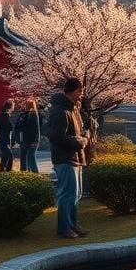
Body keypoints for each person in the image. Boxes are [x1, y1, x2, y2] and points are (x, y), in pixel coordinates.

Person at [46, 78, 89, 238]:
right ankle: (64, 228)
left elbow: (79, 131)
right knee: (68, 194)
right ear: (70, 92)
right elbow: (56, 136)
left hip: (75, 157)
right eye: (79, 91)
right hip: (65, 158)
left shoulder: (74, 109)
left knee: (76, 193)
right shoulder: (60, 111)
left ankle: (72, 224)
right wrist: (80, 141)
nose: (81, 95)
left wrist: (83, 137)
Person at [16, 98, 41, 173]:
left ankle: (35, 175)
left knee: (30, 158)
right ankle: (27, 174)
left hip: (29, 140)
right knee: (26, 158)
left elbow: (28, 128)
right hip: (27, 140)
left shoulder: (32, 115)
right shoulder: (25, 115)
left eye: (26, 105)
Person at [0, 99, 15, 172]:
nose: (13, 108)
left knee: (7, 156)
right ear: (10, 107)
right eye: (13, 106)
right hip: (3, 140)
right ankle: (3, 170)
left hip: (3, 139)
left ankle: (5, 170)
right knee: (8, 155)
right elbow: (8, 127)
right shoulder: (4, 116)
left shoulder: (3, 115)